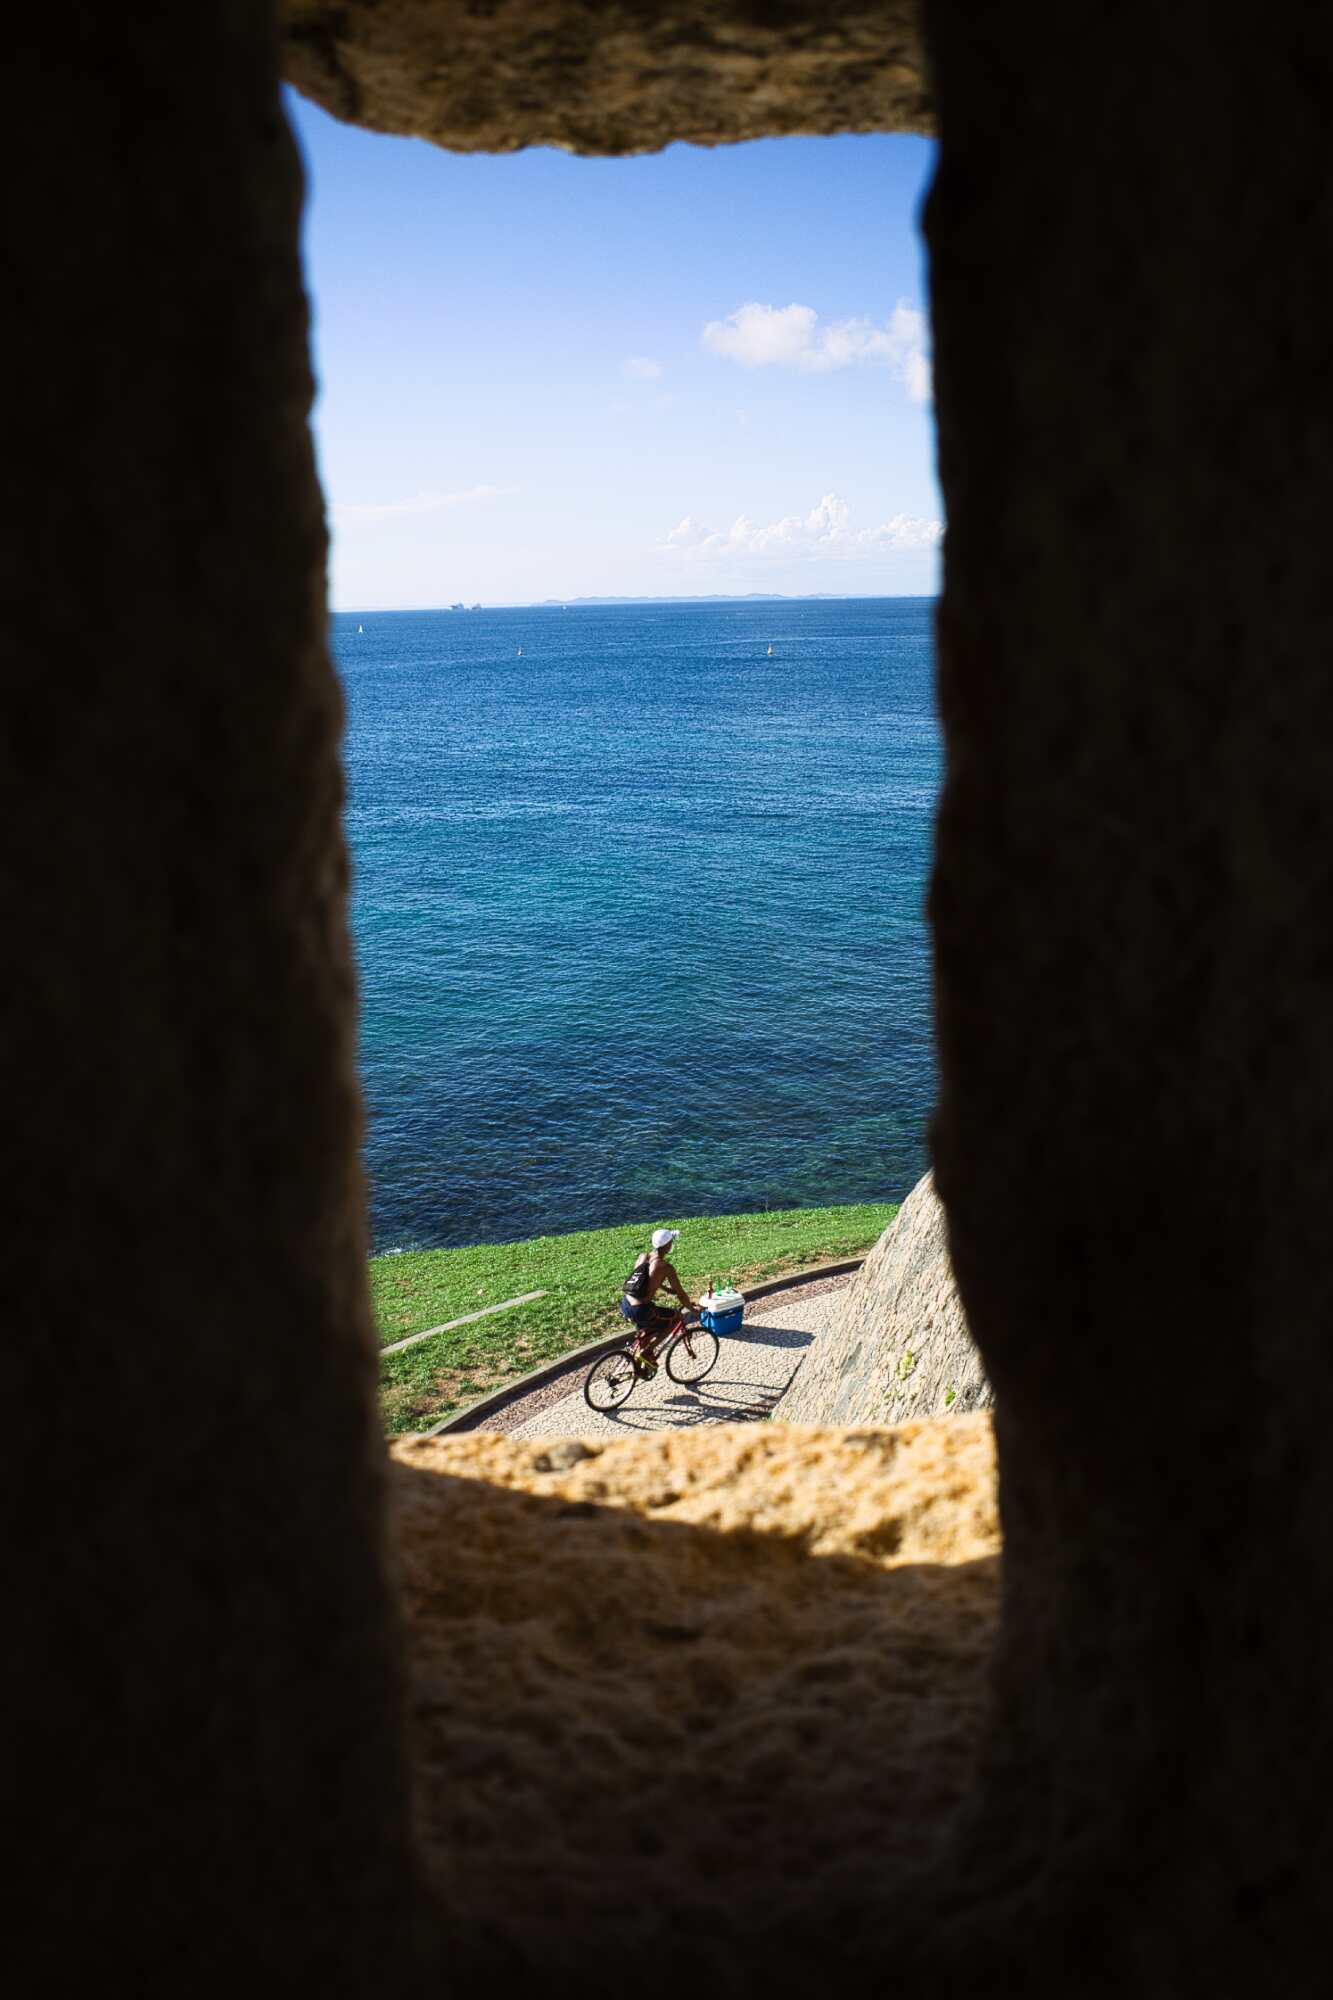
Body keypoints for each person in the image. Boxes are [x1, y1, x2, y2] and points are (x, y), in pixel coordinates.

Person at [620, 1227, 698, 1375]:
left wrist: (666, 1289)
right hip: (640, 1310)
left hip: (626, 1303)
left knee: (650, 1325)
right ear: (668, 1246)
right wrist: (693, 1310)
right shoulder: (666, 1267)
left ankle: (641, 1361)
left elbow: (642, 1279)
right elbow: (681, 1295)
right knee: (675, 1318)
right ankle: (647, 1352)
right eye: (671, 1242)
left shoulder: (643, 1257)